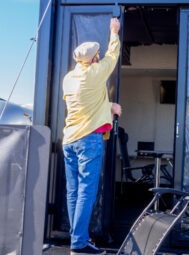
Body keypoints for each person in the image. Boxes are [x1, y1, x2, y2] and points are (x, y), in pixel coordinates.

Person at [62, 18, 122, 255]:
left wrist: (108, 107)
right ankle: (78, 242)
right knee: (86, 191)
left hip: (69, 140)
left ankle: (77, 239)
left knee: (73, 192)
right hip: (88, 141)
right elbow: (114, 54)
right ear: (94, 59)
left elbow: (83, 106)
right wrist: (114, 31)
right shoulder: (96, 72)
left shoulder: (68, 79)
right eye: (98, 54)